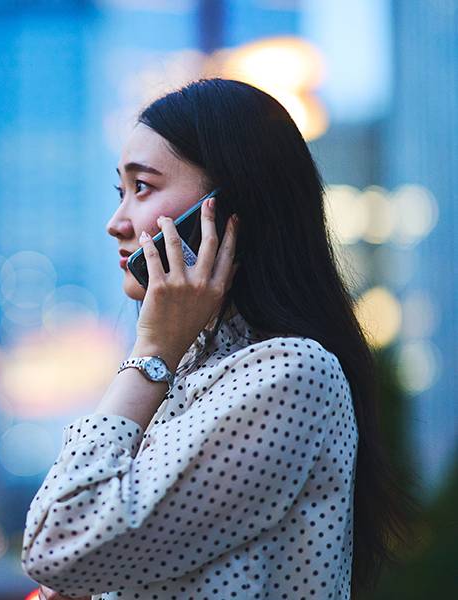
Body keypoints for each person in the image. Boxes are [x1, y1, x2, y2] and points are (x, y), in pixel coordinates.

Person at [21, 78, 417, 600]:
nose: (116, 223)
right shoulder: (187, 381)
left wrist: (151, 354)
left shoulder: (291, 375)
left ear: (229, 205)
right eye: (121, 192)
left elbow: (56, 545)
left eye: (143, 187)